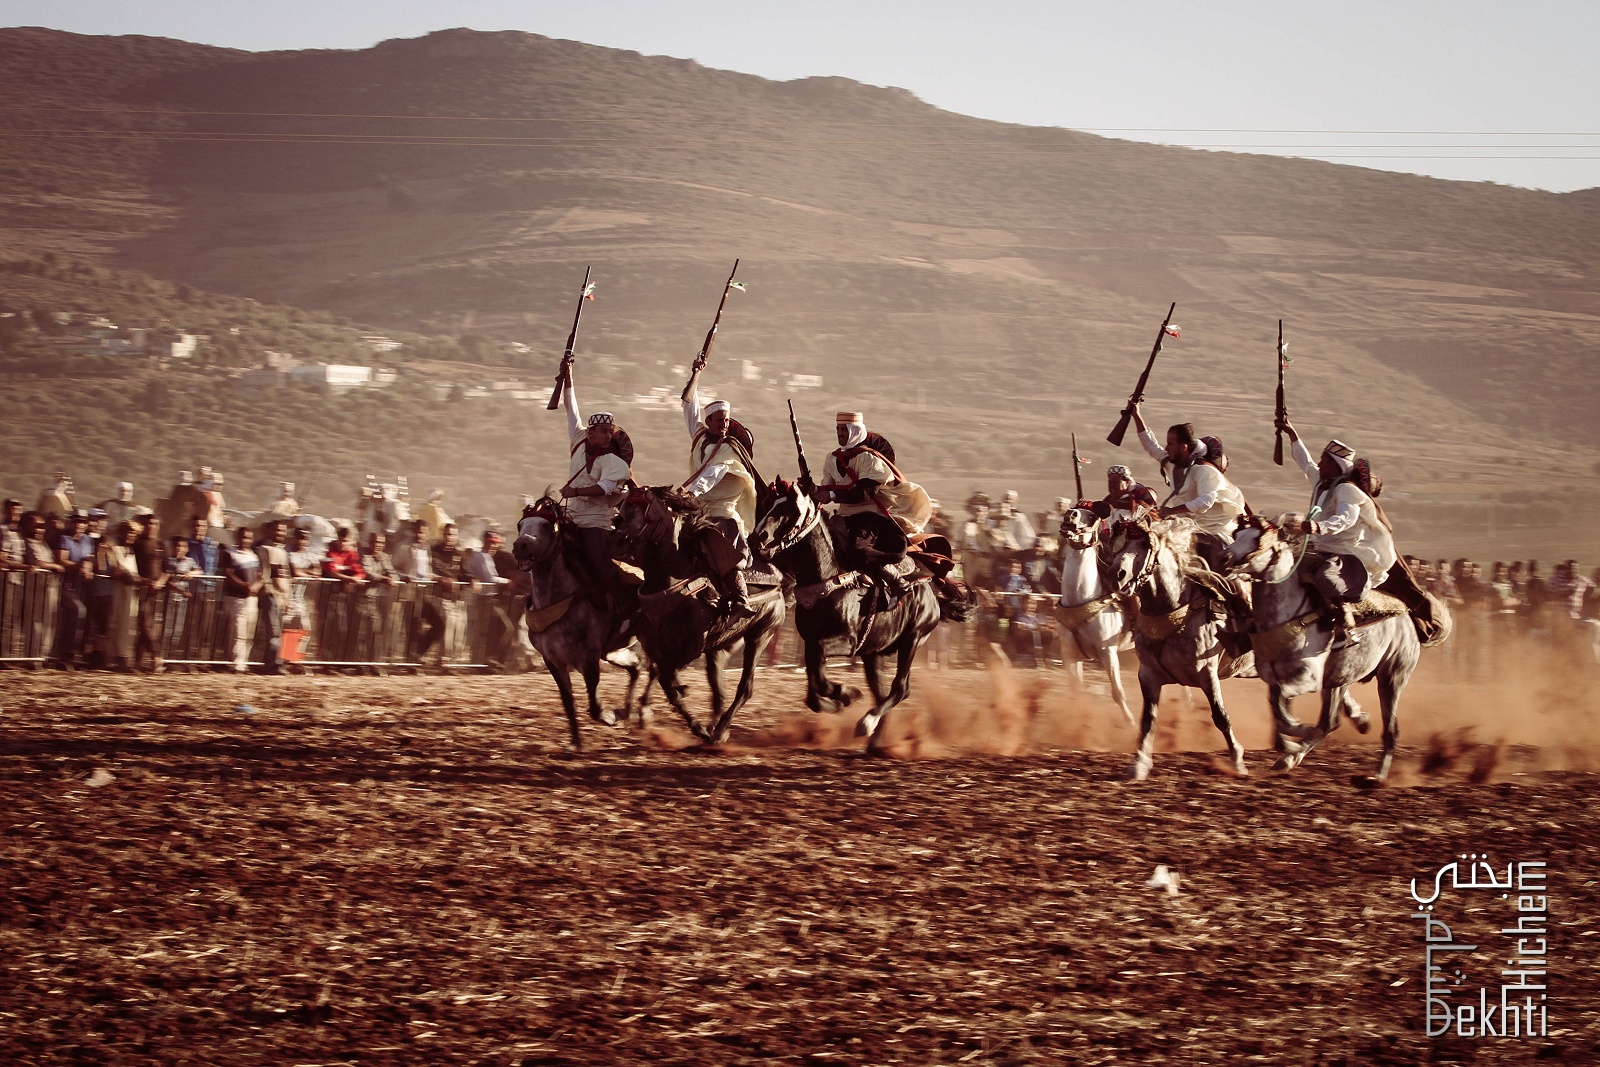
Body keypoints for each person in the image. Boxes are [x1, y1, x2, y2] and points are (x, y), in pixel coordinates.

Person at [1276, 419, 1397, 646]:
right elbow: (1305, 463)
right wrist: (1292, 435)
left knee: (1327, 578)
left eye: (1324, 460)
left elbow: (1346, 518)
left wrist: (1318, 527)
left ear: (1334, 464)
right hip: (1320, 547)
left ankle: (1346, 625)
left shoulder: (1347, 490)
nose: (1319, 463)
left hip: (1344, 553)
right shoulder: (1324, 482)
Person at [817, 411, 933, 595]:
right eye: (838, 429)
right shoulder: (831, 459)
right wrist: (811, 489)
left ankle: (895, 579)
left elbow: (865, 493)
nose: (839, 433)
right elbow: (826, 487)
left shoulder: (868, 459)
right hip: (843, 516)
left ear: (854, 431)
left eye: (844, 429)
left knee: (859, 551)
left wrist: (831, 495)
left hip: (869, 517)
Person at [681, 358, 760, 618]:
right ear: (708, 421)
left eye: (725, 421)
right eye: (718, 421)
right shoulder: (699, 436)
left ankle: (740, 598)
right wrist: (696, 374)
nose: (723, 425)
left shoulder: (729, 448)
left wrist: (690, 492)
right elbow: (689, 405)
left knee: (723, 550)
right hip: (698, 509)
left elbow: (712, 474)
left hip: (722, 512)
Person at [1130, 406, 1246, 565]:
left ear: (1183, 447)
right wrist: (1136, 415)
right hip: (1188, 529)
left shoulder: (1204, 470)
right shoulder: (1171, 464)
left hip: (1214, 530)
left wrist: (1171, 511)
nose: (1166, 448)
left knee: (1218, 565)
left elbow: (1205, 501)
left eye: (1170, 444)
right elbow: (1150, 445)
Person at [558, 361, 633, 609]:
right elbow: (570, 407)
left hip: (595, 522)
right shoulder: (579, 439)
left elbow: (604, 489)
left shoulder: (614, 462)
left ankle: (624, 609)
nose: (608, 435)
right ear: (591, 432)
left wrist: (575, 491)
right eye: (603, 431)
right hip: (570, 517)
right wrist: (568, 376)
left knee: (601, 567)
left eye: (610, 431)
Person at [52, 510, 95, 667]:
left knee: (78, 615)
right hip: (63, 583)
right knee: (77, 611)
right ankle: (65, 652)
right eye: (76, 521)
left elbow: (89, 559)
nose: (79, 524)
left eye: (82, 521)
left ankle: (71, 652)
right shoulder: (62, 537)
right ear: (71, 522)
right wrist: (79, 567)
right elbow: (61, 560)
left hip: (80, 585)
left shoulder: (88, 540)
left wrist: (87, 567)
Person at [221, 526, 262, 673]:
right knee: (238, 632)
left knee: (249, 633)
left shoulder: (254, 555)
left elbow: (260, 576)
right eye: (243, 537)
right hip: (236, 598)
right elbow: (229, 574)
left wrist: (256, 586)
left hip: (252, 599)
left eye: (249, 538)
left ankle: (244, 662)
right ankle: (235, 663)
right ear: (237, 538)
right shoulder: (230, 553)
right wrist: (245, 586)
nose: (246, 540)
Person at [255, 520, 292, 674]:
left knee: (281, 632)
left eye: (282, 530)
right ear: (269, 531)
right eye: (277, 530)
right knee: (274, 631)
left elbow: (285, 576)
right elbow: (265, 574)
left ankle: (278, 661)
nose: (280, 533)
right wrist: (271, 592)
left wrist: (287, 598)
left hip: (283, 596)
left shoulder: (283, 551)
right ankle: (272, 665)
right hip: (271, 596)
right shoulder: (263, 549)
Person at [132, 516, 168, 672]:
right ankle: (156, 656)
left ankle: (138, 661)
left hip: (157, 591)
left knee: (148, 626)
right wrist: (146, 582)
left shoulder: (160, 544)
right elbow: (132, 568)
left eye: (154, 524)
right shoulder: (137, 544)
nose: (151, 527)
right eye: (148, 524)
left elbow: (167, 569)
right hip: (141, 588)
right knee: (145, 624)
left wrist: (160, 582)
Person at [1093, 464, 1159, 526]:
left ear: (1127, 482)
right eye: (1110, 482)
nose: (1111, 485)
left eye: (1116, 482)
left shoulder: (1138, 505)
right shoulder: (1108, 501)